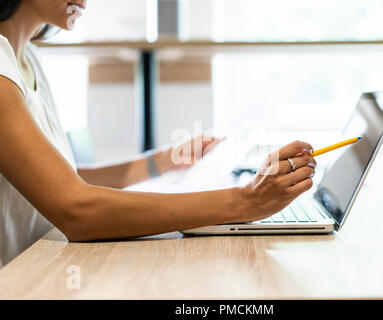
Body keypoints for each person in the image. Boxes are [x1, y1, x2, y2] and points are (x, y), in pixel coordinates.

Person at [0, 0, 317, 267]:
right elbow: (76, 209)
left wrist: (161, 162)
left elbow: (60, 180)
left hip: (45, 266)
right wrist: (245, 201)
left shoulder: (26, 59)